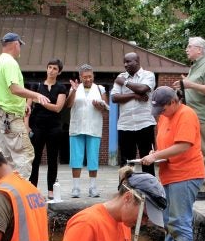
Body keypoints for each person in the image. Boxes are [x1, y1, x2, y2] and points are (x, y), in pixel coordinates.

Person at [142, 86, 204, 241]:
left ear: (173, 102)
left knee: (179, 220)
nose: (161, 113)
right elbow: (166, 146)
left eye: (163, 109)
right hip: (170, 174)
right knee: (169, 220)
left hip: (185, 175)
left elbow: (183, 145)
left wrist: (155, 156)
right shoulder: (164, 117)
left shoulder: (186, 115)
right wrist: (157, 154)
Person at [0, 32, 50, 179]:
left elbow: (4, 92)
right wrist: (36, 95)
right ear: (16, 44)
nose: (20, 49)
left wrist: (22, 104)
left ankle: (6, 191)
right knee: (25, 154)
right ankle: (18, 192)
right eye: (20, 46)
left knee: (7, 158)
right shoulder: (10, 63)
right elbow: (14, 88)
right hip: (9, 116)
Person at [173, 36, 205, 201]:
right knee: (196, 151)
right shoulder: (195, 67)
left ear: (200, 49)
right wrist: (182, 88)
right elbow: (194, 89)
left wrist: (189, 85)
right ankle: (199, 186)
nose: (186, 50)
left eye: (189, 47)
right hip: (195, 116)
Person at [27, 58, 68, 199]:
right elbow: (28, 108)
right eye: (49, 67)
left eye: (55, 68)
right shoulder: (36, 86)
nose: (51, 70)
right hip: (37, 127)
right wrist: (27, 126)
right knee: (35, 159)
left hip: (54, 128)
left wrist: (41, 101)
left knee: (52, 159)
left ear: (59, 72)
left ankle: (51, 190)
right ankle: (32, 188)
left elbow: (58, 108)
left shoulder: (61, 88)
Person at [66, 64, 108, 198]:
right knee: (76, 158)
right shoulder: (75, 89)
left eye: (90, 76)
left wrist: (100, 106)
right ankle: (76, 188)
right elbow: (68, 104)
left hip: (93, 126)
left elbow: (106, 108)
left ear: (93, 76)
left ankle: (93, 187)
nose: (88, 79)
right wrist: (73, 90)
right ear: (80, 77)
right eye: (84, 77)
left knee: (93, 158)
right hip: (77, 127)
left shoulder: (100, 89)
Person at [111, 52, 157, 175]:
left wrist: (125, 83)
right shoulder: (120, 76)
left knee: (147, 159)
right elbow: (114, 98)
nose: (125, 65)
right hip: (125, 125)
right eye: (124, 62)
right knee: (126, 161)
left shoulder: (148, 75)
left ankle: (149, 190)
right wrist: (135, 95)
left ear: (137, 61)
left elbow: (142, 89)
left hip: (145, 123)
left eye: (128, 61)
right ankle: (125, 189)